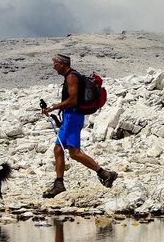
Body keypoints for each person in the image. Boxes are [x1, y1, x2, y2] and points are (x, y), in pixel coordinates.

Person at [41, 53, 117, 197]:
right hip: (69, 118)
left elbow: (73, 100)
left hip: (74, 118)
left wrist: (53, 107)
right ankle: (59, 184)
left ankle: (106, 174)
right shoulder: (69, 76)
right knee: (58, 149)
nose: (54, 67)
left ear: (62, 64)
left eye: (55, 64)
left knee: (74, 153)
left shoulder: (71, 76)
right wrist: (63, 120)